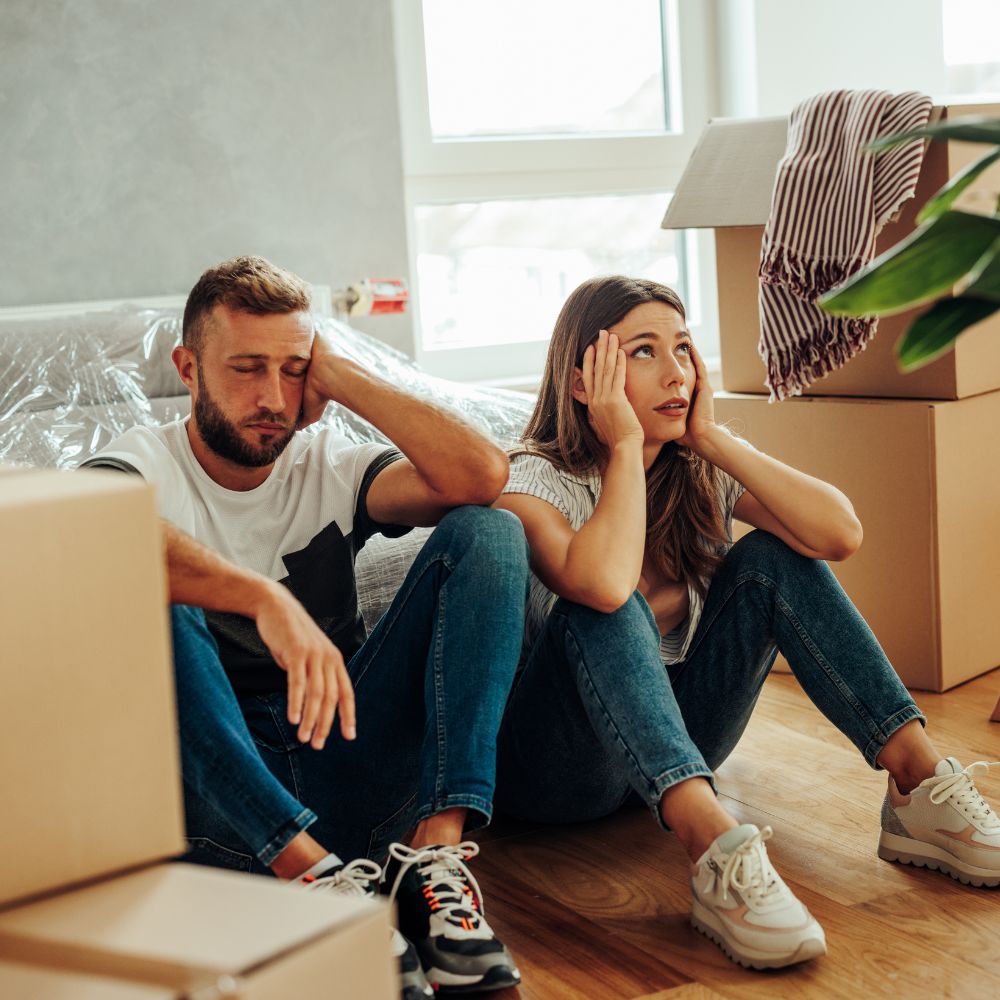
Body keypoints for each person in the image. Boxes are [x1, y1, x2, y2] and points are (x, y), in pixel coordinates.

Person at [492, 275, 1000, 971]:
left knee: (770, 554)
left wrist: (712, 440)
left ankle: (918, 781)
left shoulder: (694, 467)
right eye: (644, 352)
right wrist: (622, 451)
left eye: (683, 348)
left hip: (686, 745)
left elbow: (839, 533)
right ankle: (715, 850)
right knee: (606, 604)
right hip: (554, 773)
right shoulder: (531, 480)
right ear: (586, 382)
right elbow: (605, 584)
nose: (677, 372)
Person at [83, 256, 527, 997]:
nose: (272, 398)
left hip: (342, 757)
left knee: (492, 533)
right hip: (218, 797)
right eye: (247, 368)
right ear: (187, 368)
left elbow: (480, 477)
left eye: (292, 370)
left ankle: (434, 859)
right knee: (151, 591)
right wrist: (264, 597)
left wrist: (343, 375)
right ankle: (312, 883)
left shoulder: (327, 462)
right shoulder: (141, 463)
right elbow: (94, 534)